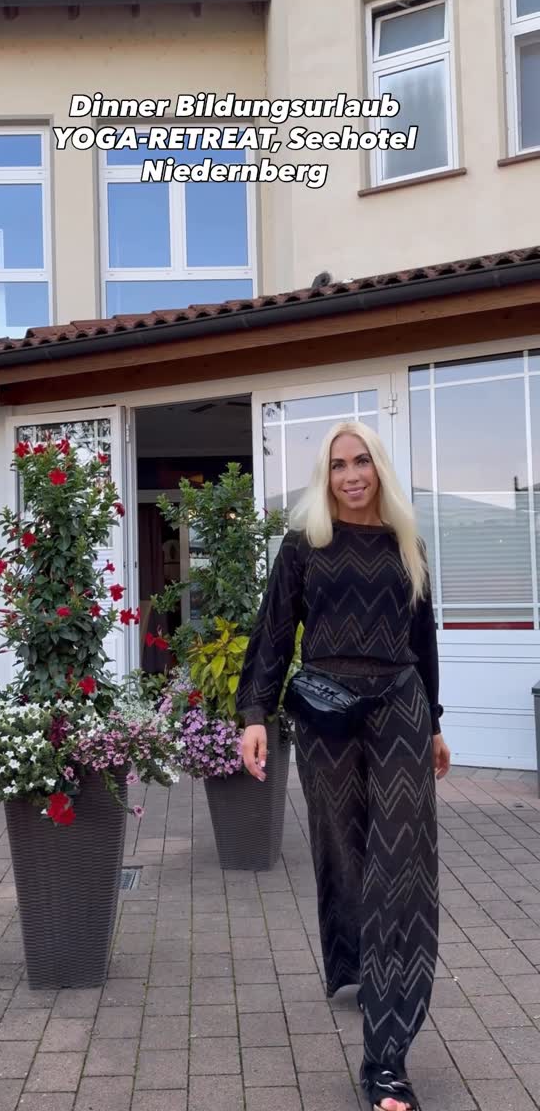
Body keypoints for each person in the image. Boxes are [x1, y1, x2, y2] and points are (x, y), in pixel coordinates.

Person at [237, 420, 451, 1111]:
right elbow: (274, 632)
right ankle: (358, 963)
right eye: (338, 465)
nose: (351, 475)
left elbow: (423, 639)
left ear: (379, 468)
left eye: (362, 462)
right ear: (325, 476)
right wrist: (254, 715)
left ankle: (386, 1059)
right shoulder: (305, 545)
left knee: (402, 867)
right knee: (343, 847)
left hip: (400, 707)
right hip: (326, 713)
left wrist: (434, 724)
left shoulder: (407, 545)